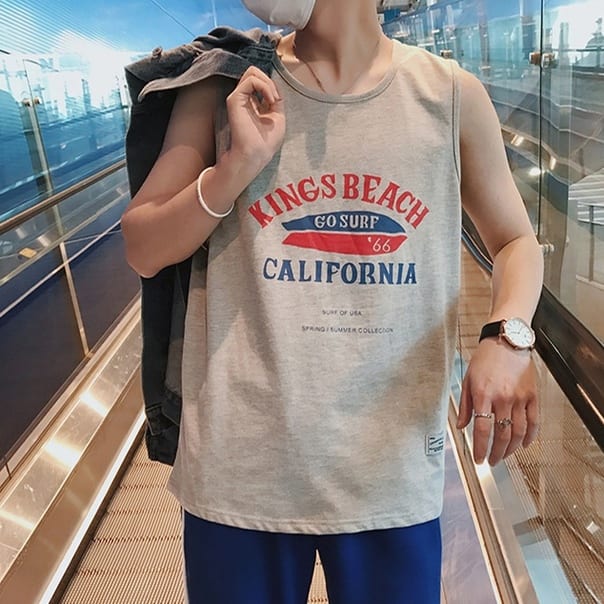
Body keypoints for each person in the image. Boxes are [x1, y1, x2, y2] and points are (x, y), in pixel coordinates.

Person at [121, 0, 544, 602]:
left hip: (389, 466)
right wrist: (235, 167)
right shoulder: (222, 87)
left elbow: (516, 242)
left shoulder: (449, 95)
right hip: (239, 469)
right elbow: (143, 248)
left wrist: (507, 336)